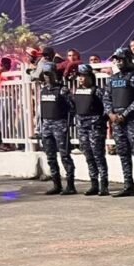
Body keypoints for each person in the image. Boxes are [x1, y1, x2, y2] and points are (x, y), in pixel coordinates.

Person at [102, 47, 134, 198]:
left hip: (133, 121)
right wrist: (111, 114)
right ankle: (128, 186)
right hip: (117, 122)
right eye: (116, 59)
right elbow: (106, 98)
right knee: (123, 154)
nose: (118, 62)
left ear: (128, 59)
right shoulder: (112, 79)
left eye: (121, 59)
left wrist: (125, 114)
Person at [37, 62, 76, 195]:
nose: (47, 77)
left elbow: (72, 108)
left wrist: (67, 124)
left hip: (60, 125)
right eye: (45, 74)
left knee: (65, 155)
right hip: (47, 126)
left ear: (55, 74)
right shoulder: (43, 90)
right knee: (50, 157)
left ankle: (70, 185)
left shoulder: (62, 90)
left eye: (49, 74)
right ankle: (56, 185)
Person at [70, 64, 110, 196]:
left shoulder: (98, 91)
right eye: (79, 76)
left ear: (90, 77)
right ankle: (94, 184)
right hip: (82, 127)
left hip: (95, 127)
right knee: (88, 156)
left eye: (83, 76)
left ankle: (103, 185)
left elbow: (106, 108)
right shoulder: (77, 91)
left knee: (98, 156)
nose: (81, 79)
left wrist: (99, 121)